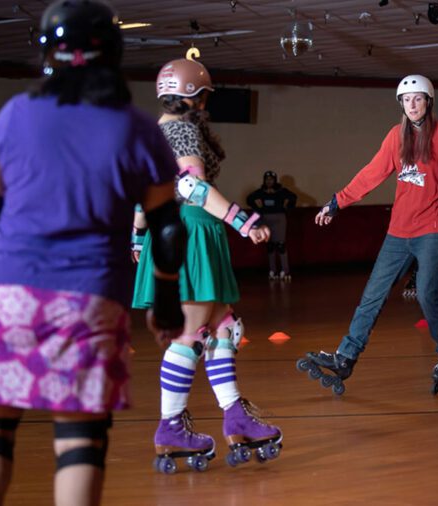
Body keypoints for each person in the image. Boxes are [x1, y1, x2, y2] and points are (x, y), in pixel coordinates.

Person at [0, 1, 188, 503]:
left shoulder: (15, 114)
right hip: (87, 300)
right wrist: (166, 301)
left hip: (3, 295)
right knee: (80, 440)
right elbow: (168, 232)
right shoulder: (137, 128)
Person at [297, 74, 438, 397]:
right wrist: (337, 202)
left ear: (428, 102)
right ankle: (346, 357)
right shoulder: (396, 136)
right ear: (401, 104)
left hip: (433, 229)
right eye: (407, 100)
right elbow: (371, 174)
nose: (412, 105)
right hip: (398, 231)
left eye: (418, 99)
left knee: (427, 294)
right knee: (372, 295)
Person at [130, 57, 281, 474]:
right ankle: (170, 427)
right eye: (205, 97)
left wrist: (138, 236)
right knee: (190, 334)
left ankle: (236, 417)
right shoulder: (181, 131)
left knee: (222, 329)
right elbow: (189, 186)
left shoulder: (153, 133)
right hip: (190, 232)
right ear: (195, 97)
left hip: (173, 231)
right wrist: (241, 219)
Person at [246, 171, 296, 280]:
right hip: (266, 218)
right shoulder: (262, 191)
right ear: (264, 180)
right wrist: (259, 209)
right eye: (267, 179)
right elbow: (249, 199)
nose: (269, 181)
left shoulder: (281, 191)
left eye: (271, 179)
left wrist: (286, 208)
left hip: (279, 218)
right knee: (270, 246)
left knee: (281, 245)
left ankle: (285, 271)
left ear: (275, 180)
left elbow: (293, 197)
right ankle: (273, 270)